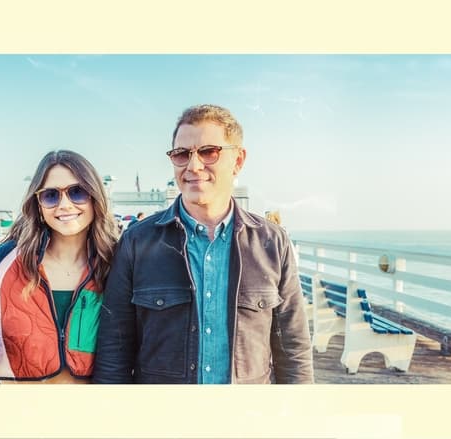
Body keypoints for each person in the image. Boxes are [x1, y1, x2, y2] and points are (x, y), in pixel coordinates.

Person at [93, 104, 314, 384]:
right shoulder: (136, 242)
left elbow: (293, 349)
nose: (193, 166)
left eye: (209, 152)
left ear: (238, 160)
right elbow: (115, 349)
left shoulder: (272, 242)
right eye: (182, 154)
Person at [0, 150, 118, 383]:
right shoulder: (0, 263)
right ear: (38, 203)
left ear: (95, 197)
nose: (64, 205)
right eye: (51, 196)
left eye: (77, 192)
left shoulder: (117, 264)